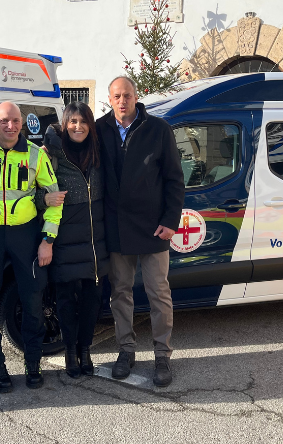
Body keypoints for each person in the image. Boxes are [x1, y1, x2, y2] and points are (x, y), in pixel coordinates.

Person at [96, 76, 185, 387]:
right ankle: (126, 350)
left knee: (158, 294)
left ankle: (162, 355)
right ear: (109, 99)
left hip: (153, 229)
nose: (123, 101)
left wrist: (171, 221)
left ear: (137, 97)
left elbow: (175, 179)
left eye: (128, 96)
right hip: (117, 228)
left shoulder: (158, 129)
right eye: (117, 96)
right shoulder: (99, 129)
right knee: (120, 294)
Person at [0, 102, 62, 392]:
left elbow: (54, 200)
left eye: (15, 121)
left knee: (33, 299)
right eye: (4, 121)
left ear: (21, 123)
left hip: (27, 235)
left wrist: (47, 240)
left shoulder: (36, 155)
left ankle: (32, 361)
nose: (10, 126)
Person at [36, 102, 110, 379]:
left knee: (93, 300)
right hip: (64, 238)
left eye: (83, 121)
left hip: (96, 241)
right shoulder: (50, 155)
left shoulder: (99, 152)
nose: (78, 126)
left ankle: (86, 349)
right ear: (65, 124)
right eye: (72, 121)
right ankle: (69, 352)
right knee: (66, 301)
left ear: (90, 125)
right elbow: (34, 193)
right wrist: (44, 199)